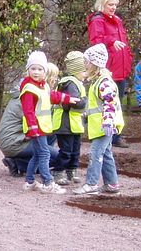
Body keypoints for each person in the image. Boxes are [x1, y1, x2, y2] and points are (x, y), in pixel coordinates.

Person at [20, 51, 78, 194]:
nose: (36, 72)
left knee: (37, 154)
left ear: (44, 71)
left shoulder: (42, 86)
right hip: (36, 127)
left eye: (40, 69)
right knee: (45, 153)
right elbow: (28, 111)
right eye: (33, 68)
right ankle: (47, 182)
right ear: (28, 70)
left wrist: (66, 98)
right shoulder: (29, 88)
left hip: (41, 126)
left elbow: (51, 96)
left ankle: (30, 181)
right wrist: (33, 127)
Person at [74, 43, 124, 195]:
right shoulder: (99, 81)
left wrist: (108, 121)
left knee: (96, 154)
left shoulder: (104, 82)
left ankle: (91, 183)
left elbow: (110, 103)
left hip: (105, 126)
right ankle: (112, 184)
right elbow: (98, 104)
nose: (85, 64)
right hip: (101, 126)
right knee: (106, 153)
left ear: (94, 64)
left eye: (87, 61)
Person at [87, 0, 133, 148]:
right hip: (108, 68)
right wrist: (111, 41)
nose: (113, 7)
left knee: (117, 101)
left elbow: (122, 42)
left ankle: (115, 133)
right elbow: (96, 42)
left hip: (120, 67)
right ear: (103, 4)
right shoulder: (98, 20)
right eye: (110, 4)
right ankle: (109, 135)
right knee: (109, 101)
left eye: (115, 5)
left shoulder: (117, 20)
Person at [0, 86, 60, 176]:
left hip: (15, 140)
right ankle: (19, 164)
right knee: (59, 158)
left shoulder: (18, 98)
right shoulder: (24, 101)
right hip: (15, 143)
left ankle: (20, 161)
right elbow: (38, 123)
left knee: (52, 133)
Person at [50, 51, 88, 185]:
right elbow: (73, 102)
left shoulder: (76, 82)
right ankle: (58, 171)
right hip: (65, 124)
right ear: (77, 70)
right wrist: (84, 101)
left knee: (75, 150)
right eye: (84, 71)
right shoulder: (70, 83)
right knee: (66, 150)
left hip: (74, 123)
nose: (86, 74)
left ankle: (72, 170)